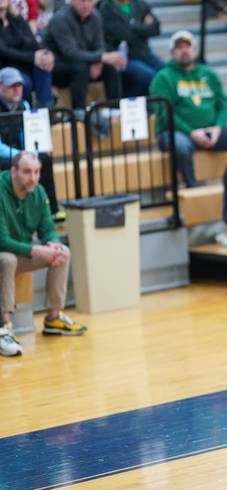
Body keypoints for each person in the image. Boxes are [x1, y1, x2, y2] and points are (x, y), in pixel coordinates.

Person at [0, 152, 88, 357]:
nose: (33, 177)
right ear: (14, 171)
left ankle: (53, 318)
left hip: (22, 252)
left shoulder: (38, 192)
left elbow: (47, 228)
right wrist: (36, 249)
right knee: (7, 259)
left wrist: (52, 244)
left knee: (63, 252)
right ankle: (5, 327)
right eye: (27, 172)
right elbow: (1, 240)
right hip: (5, 254)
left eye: (37, 172)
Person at [149, 31, 227, 188]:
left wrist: (218, 128)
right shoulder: (163, 78)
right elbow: (165, 113)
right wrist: (191, 132)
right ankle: (192, 188)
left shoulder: (209, 74)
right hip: (175, 132)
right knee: (181, 146)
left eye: (188, 46)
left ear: (195, 51)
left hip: (212, 131)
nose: (184, 50)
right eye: (179, 47)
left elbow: (222, 105)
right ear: (172, 53)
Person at [45, 0, 126, 109]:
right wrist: (101, 58)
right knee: (80, 67)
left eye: (89, 1)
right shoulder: (60, 19)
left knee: (110, 65)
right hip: (59, 66)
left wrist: (98, 62)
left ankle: (115, 108)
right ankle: (79, 111)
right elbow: (70, 52)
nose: (86, 5)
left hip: (86, 60)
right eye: (82, 1)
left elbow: (100, 45)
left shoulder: (95, 15)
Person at [0, 67, 59, 217]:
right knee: (12, 165)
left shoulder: (24, 106)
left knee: (43, 159)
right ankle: (10, 214)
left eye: (19, 86)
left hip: (20, 153)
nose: (16, 90)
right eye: (11, 86)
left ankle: (52, 210)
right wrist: (21, 155)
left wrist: (31, 152)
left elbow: (28, 135)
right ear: (1, 87)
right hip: (5, 155)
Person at [97, 0, 163, 98]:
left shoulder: (140, 4)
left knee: (167, 71)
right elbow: (122, 34)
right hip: (124, 57)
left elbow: (156, 29)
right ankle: (141, 106)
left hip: (145, 53)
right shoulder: (105, 7)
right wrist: (143, 26)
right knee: (149, 76)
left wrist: (132, 26)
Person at [0, 0, 53, 106]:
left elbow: (32, 41)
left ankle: (45, 110)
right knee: (23, 81)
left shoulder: (16, 19)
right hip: (4, 67)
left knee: (43, 68)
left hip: (23, 64)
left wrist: (45, 54)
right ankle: (23, 113)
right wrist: (33, 57)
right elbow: (4, 52)